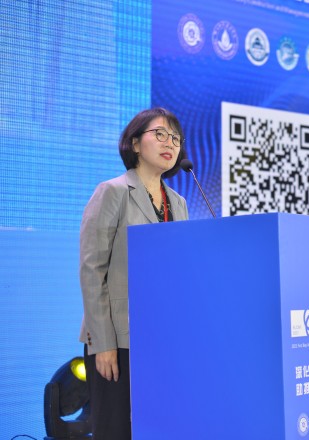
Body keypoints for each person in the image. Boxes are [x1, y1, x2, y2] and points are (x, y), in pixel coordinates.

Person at [78, 108, 189, 439]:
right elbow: (92, 269)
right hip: (119, 339)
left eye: (175, 138)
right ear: (136, 143)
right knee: (117, 430)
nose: (169, 143)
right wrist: (103, 344)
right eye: (160, 134)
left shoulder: (179, 203)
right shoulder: (112, 191)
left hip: (162, 338)